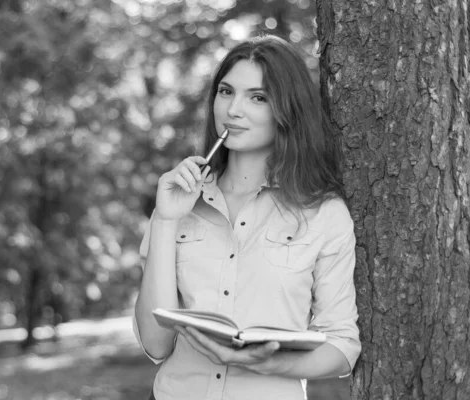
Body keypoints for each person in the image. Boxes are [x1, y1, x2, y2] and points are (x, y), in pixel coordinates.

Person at [133, 34, 361, 400]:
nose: (233, 110)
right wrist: (164, 219)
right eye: (226, 92)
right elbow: (156, 345)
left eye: (258, 97)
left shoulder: (324, 212)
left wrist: (268, 364)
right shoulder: (178, 201)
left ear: (288, 109)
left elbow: (343, 346)